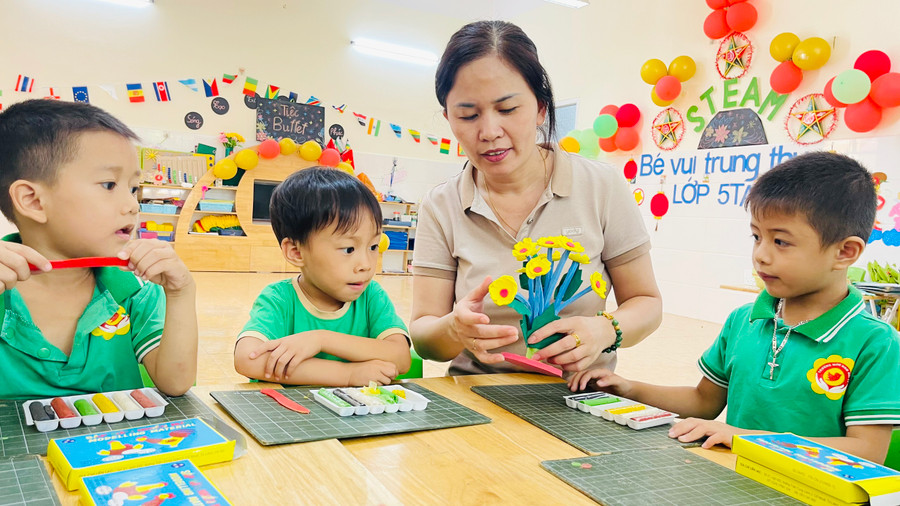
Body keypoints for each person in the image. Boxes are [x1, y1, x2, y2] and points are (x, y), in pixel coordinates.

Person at [570, 152, 900, 463]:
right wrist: (630, 388)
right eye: (757, 237)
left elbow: (866, 449)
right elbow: (704, 402)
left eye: (780, 242)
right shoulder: (744, 321)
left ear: (845, 252)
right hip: (736, 479)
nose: (761, 255)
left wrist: (743, 437)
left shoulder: (875, 342)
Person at [410, 20, 663, 375]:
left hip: (580, 394)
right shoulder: (441, 205)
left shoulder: (600, 186)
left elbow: (647, 303)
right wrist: (454, 328)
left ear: (541, 108)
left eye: (508, 109)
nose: (489, 132)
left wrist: (605, 329)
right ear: (448, 118)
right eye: (468, 115)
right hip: (477, 395)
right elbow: (423, 336)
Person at [0, 99, 197, 400]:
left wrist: (181, 292)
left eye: (133, 188)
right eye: (108, 184)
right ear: (33, 201)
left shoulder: (136, 289)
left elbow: (175, 383)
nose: (132, 205)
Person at [234, 167, 412, 386]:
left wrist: (322, 339)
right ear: (296, 252)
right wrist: (347, 375)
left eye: (373, 246)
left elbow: (401, 358)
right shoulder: (280, 299)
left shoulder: (371, 297)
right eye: (348, 249)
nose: (366, 265)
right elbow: (248, 359)